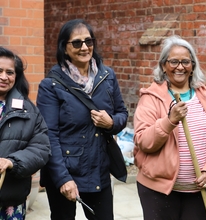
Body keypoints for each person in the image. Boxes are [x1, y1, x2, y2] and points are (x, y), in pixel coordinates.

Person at [36, 19, 128, 220]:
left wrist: (111, 122)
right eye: (77, 43)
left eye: (89, 41)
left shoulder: (107, 76)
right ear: (64, 47)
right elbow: (48, 137)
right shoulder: (51, 85)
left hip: (98, 169)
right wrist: (63, 179)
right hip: (65, 172)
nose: (84, 47)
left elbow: (122, 113)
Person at [133, 35, 206, 219]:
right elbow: (143, 141)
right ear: (163, 66)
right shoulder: (151, 98)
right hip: (158, 191)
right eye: (174, 61)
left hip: (198, 192)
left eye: (185, 61)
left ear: (192, 66)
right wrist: (170, 121)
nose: (180, 67)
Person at [0, 46, 51, 219]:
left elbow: (41, 149)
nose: (4, 77)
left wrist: (11, 162)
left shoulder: (28, 110)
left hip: (10, 200)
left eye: (10, 72)